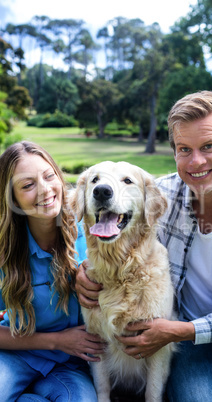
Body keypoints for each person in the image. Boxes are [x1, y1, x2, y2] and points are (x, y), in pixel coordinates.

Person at [75, 91, 212, 401]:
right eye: (184, 149)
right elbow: (106, 233)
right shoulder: (156, 194)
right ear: (175, 151)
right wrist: (84, 270)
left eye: (208, 147)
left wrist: (179, 331)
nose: (196, 161)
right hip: (186, 333)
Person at [0, 141, 106, 402]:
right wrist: (57, 341)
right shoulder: (4, 249)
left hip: (70, 366)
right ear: (11, 198)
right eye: (27, 185)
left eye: (49, 177)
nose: (45, 190)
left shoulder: (91, 233)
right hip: (16, 356)